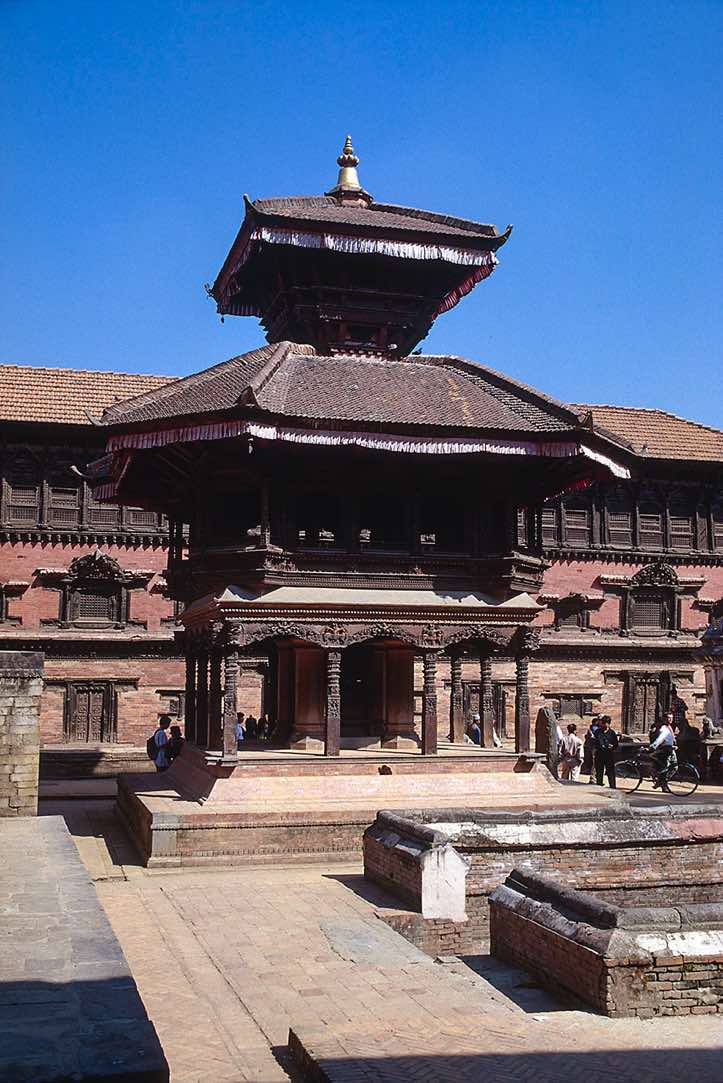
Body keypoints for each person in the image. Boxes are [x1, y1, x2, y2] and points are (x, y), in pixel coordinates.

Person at [647, 712, 678, 790]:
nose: (670, 719)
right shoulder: (663, 728)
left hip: (671, 748)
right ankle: (663, 784)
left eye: (671, 718)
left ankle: (660, 781)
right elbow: (660, 739)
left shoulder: (670, 727)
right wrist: (653, 747)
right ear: (664, 719)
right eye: (668, 718)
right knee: (666, 767)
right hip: (665, 749)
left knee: (674, 767)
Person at [594, 715, 619, 788]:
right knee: (599, 772)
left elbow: (616, 744)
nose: (603, 725)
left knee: (610, 772)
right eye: (602, 723)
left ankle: (613, 787)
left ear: (608, 724)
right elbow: (594, 742)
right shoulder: (598, 732)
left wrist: (612, 746)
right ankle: (599, 786)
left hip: (609, 754)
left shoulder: (612, 733)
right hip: (599, 754)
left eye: (605, 723)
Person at [582, 715, 601, 783]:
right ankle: (593, 778)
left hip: (598, 748)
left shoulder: (598, 728)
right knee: (596, 763)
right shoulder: (595, 728)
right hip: (595, 748)